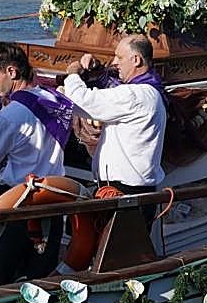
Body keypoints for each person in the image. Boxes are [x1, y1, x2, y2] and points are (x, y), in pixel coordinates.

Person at [0, 42, 74, 281]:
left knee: (4, 274)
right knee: (42, 274)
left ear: (11, 72)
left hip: (18, 202)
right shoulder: (56, 100)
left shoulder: (10, 115)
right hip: (54, 198)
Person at [63, 35, 166, 224]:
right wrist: (96, 69)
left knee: (123, 252)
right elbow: (109, 87)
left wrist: (73, 74)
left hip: (126, 193)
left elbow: (81, 101)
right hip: (125, 190)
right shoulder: (146, 91)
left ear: (136, 60)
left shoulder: (137, 95)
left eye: (119, 57)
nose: (114, 63)